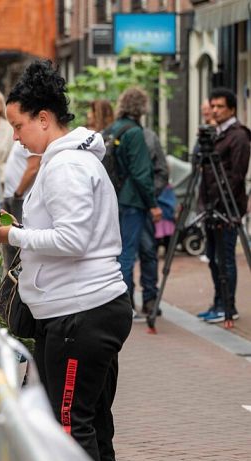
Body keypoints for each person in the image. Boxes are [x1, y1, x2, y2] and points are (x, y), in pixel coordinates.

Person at [0, 61, 132, 461]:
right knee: (88, 414)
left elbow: (72, 238)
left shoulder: (67, 166)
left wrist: (11, 233)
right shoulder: (68, 161)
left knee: (71, 418)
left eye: (18, 125)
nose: (15, 137)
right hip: (79, 309)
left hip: (82, 312)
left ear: (43, 118)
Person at [103, 87, 160, 316]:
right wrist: (153, 204)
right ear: (142, 107)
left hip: (113, 197)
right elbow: (141, 172)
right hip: (132, 200)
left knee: (116, 252)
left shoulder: (112, 129)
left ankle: (117, 301)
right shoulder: (135, 132)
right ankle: (124, 305)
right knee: (128, 252)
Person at [196, 88, 251, 325]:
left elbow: (236, 175)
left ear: (231, 108)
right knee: (212, 256)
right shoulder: (215, 133)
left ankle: (228, 306)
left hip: (227, 207)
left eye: (219, 106)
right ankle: (218, 302)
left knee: (224, 257)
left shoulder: (238, 136)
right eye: (213, 106)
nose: (215, 110)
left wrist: (220, 201)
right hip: (210, 205)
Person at [136, 119, 170, 317]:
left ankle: (150, 299)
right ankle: (128, 301)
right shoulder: (113, 135)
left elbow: (162, 171)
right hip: (122, 208)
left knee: (148, 251)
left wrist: (150, 195)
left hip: (145, 206)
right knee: (124, 256)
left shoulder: (149, 137)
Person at [0, 141, 40, 266]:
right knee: (9, 244)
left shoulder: (30, 138)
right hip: (11, 196)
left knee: (19, 245)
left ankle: (18, 279)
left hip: (20, 198)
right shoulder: (20, 139)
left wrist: (18, 192)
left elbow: (33, 167)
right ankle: (11, 279)